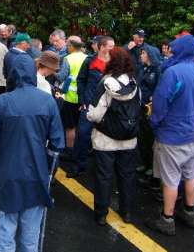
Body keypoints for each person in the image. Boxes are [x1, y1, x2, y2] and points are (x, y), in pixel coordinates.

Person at [0, 55, 64, 252]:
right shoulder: (47, 100)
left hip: (8, 174)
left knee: (6, 231)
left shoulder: (3, 101)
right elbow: (58, 143)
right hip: (36, 174)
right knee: (30, 235)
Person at [145, 34, 194, 236]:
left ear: (180, 50)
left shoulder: (173, 72)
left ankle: (167, 218)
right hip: (191, 132)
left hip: (170, 133)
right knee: (189, 174)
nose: (170, 52)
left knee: (171, 179)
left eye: (173, 49)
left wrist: (155, 123)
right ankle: (189, 213)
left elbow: (161, 103)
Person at [86, 47, 141, 225]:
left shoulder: (105, 82)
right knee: (127, 175)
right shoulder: (134, 83)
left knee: (104, 176)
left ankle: (101, 214)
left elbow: (94, 113)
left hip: (105, 139)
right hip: (129, 139)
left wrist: (89, 116)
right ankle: (127, 212)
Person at [66, 36, 114, 178]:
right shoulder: (89, 61)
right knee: (83, 135)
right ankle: (78, 166)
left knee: (106, 137)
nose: (113, 48)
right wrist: (83, 100)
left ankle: (103, 169)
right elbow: (81, 80)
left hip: (107, 107)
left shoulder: (114, 63)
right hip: (89, 105)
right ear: (100, 47)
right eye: (110, 46)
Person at [59, 36, 87, 158]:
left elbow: (61, 77)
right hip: (84, 97)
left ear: (71, 46)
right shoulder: (87, 58)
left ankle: (69, 151)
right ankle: (80, 150)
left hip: (70, 97)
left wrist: (53, 71)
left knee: (70, 126)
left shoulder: (68, 59)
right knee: (81, 126)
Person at [137, 45, 161, 175]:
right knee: (142, 137)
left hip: (151, 108)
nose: (141, 55)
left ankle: (152, 166)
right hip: (141, 107)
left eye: (144, 53)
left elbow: (159, 88)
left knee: (150, 138)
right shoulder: (142, 69)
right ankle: (144, 162)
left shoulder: (158, 69)